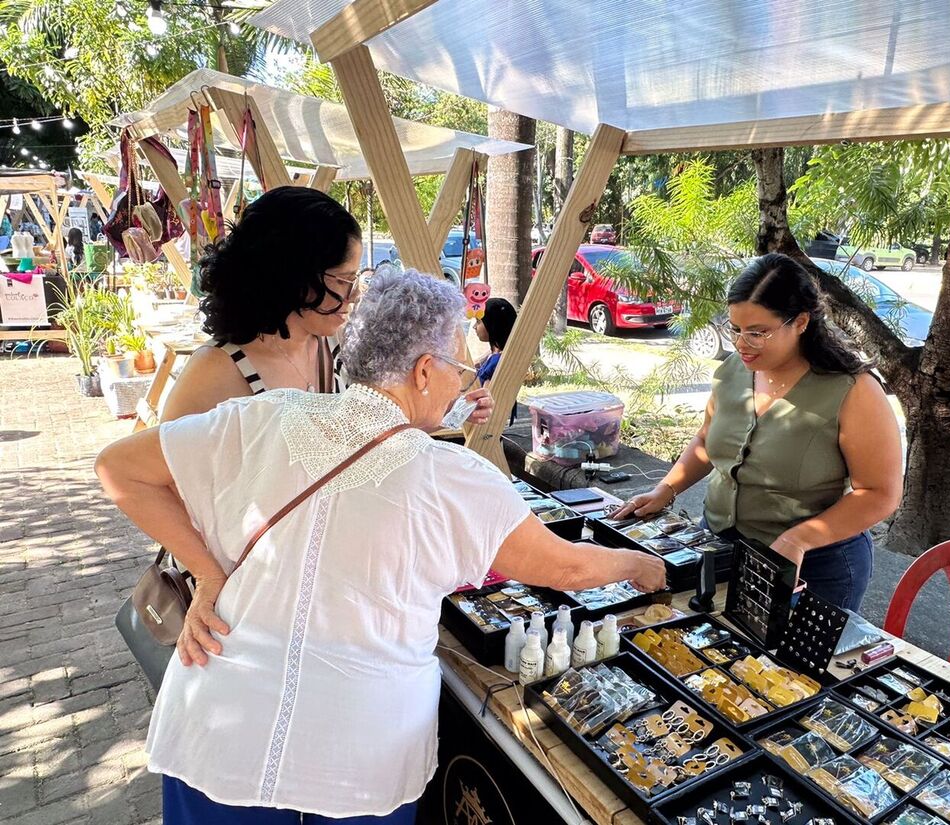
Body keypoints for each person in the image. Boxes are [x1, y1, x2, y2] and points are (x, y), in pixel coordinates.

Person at [95, 269, 665, 824]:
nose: (464, 384)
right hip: (357, 756)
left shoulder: (261, 415)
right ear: (424, 370)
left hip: (220, 732)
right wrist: (638, 563)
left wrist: (208, 573)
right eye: (460, 370)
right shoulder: (453, 478)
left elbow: (117, 468)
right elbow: (562, 566)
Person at [615, 253, 902, 611]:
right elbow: (707, 440)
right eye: (735, 329)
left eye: (757, 332)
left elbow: (879, 493)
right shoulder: (735, 370)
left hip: (811, 566)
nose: (741, 343)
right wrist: (666, 488)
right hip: (719, 546)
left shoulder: (852, 389)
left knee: (789, 667)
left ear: (799, 322)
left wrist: (800, 539)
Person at [159, 186, 492, 429]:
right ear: (293, 276)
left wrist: (450, 409)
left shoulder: (337, 344)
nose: (352, 296)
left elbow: (379, 423)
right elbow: (160, 479)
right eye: (343, 280)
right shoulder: (216, 371)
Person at [473, 296, 517, 384]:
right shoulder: (499, 355)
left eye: (478, 321)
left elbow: (486, 393)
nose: (474, 327)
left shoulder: (495, 364)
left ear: (492, 325)